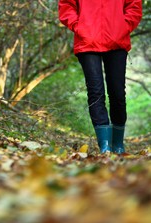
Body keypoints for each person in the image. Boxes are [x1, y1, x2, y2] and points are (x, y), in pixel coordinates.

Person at [58, 0, 142, 154]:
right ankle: (105, 146)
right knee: (96, 92)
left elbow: (134, 5)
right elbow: (66, 5)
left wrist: (124, 26)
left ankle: (118, 144)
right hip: (87, 40)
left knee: (117, 93)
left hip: (117, 40)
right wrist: (79, 26)